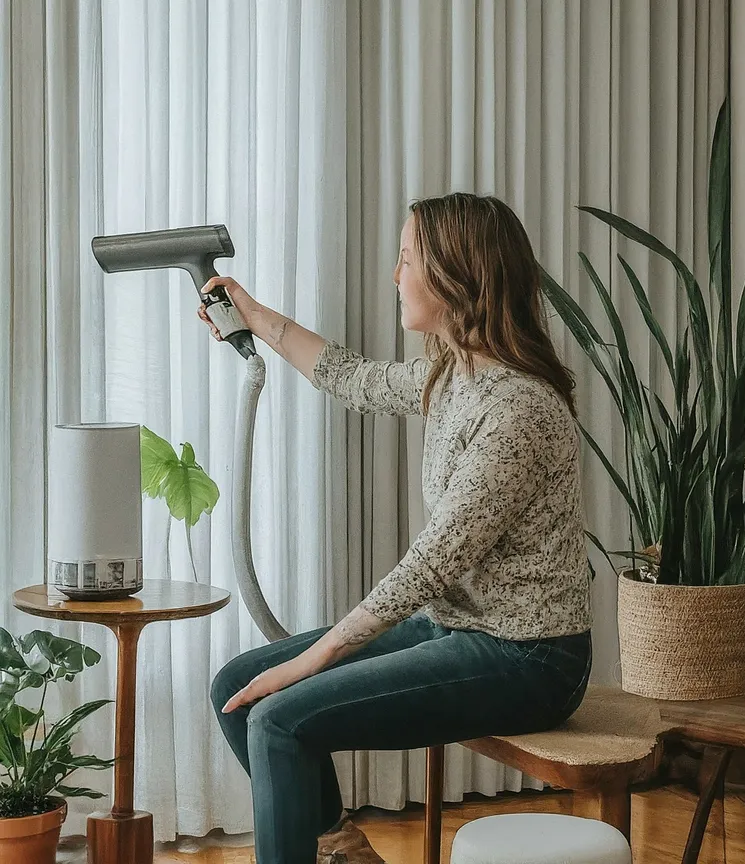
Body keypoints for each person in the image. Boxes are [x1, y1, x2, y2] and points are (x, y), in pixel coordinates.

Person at [202, 193, 592, 864]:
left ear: (454, 276)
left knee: (277, 716)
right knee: (236, 689)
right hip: (458, 628)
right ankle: (338, 848)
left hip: (529, 657)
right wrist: (251, 312)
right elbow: (350, 376)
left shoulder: (518, 410)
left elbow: (429, 565)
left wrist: (313, 657)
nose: (395, 275)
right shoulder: (453, 377)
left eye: (407, 259)